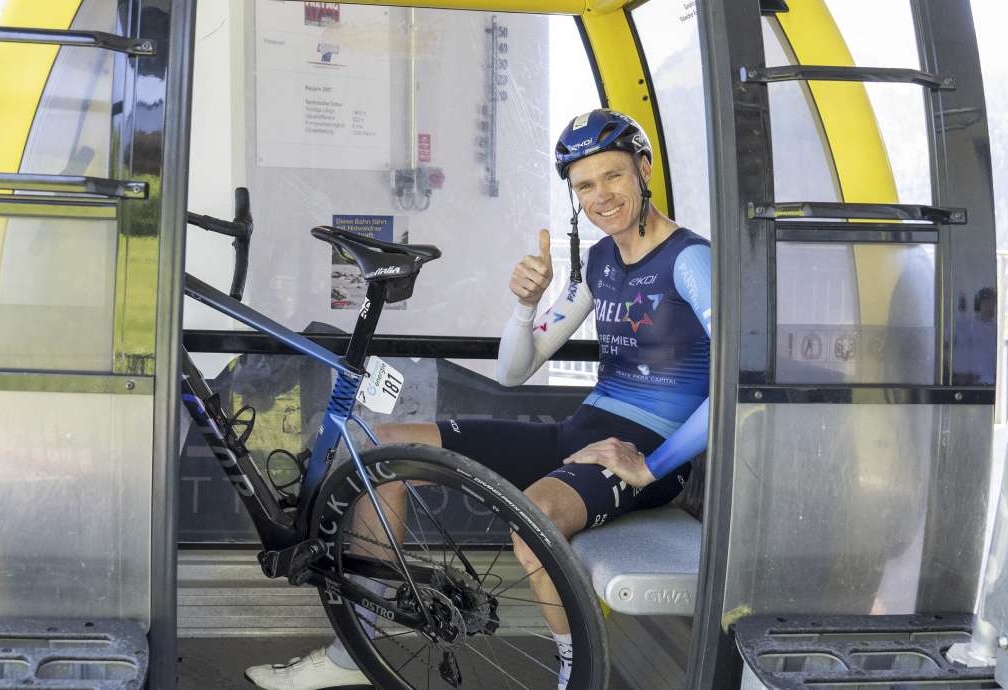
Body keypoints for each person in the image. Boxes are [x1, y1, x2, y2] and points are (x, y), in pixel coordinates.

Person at [245, 109, 711, 690]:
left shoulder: (691, 260)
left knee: (534, 524)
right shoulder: (599, 261)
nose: (601, 197)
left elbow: (736, 388)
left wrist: (654, 464)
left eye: (613, 177)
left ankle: (578, 678)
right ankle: (358, 646)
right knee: (379, 449)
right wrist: (526, 305)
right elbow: (516, 371)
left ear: (643, 170)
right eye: (584, 186)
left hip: (645, 452)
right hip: (581, 434)